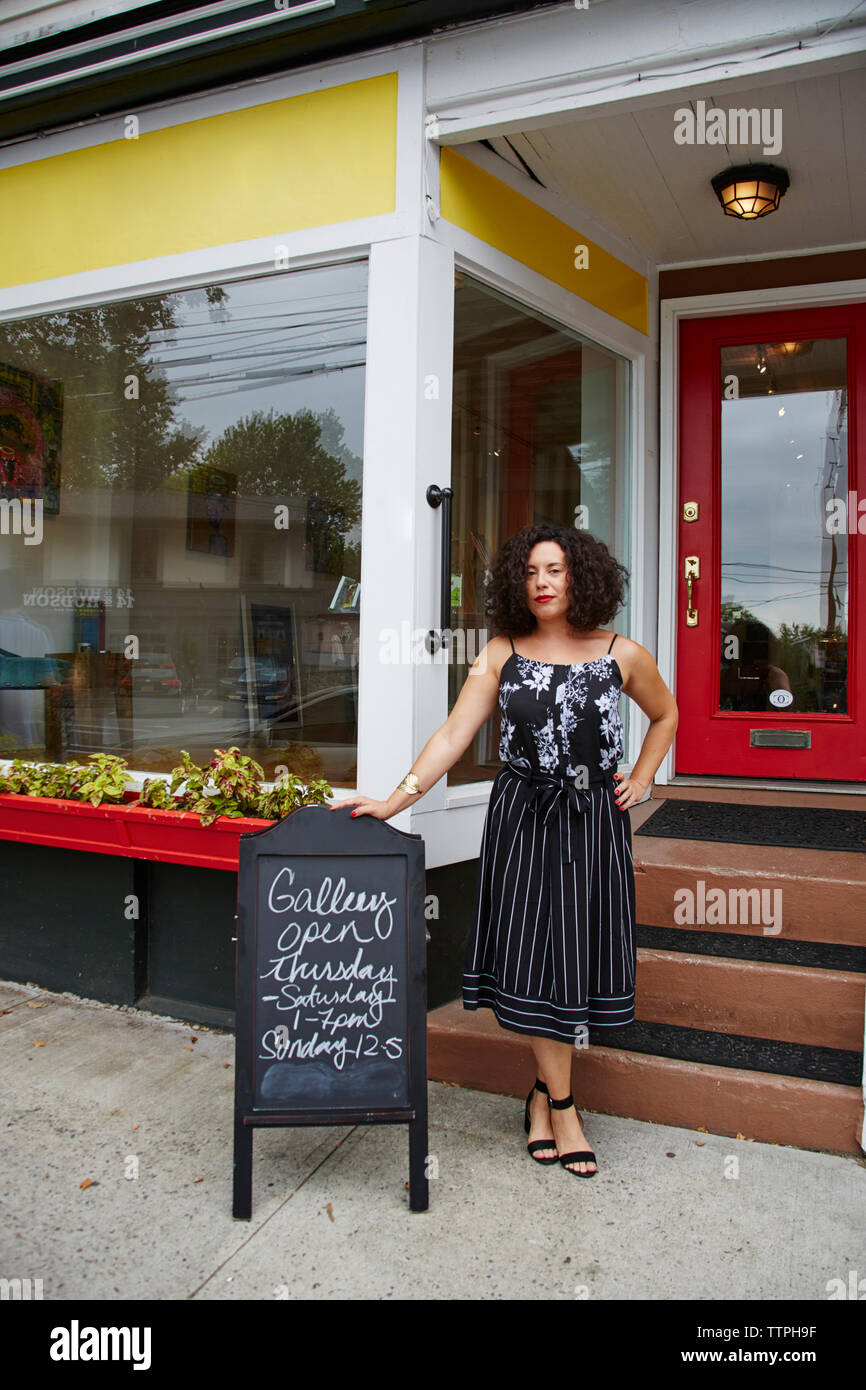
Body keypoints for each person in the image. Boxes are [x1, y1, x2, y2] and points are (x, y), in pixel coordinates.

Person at [331, 521, 678, 1178]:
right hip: (522, 819)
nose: (543, 583)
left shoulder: (622, 654)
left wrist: (642, 776)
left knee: (572, 959)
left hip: (591, 822)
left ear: (582, 575)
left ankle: (543, 1097)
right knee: (537, 960)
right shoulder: (501, 653)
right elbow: (453, 735)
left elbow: (667, 714)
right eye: (531, 572)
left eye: (556, 570)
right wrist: (392, 800)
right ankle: (563, 1104)